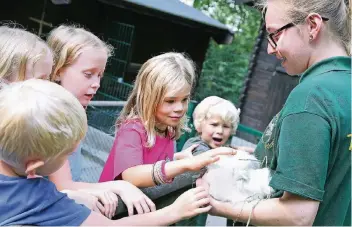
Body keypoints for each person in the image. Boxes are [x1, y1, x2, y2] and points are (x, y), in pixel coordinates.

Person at [197, 0, 351, 226]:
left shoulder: (310, 97)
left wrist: (216, 205)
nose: (270, 48)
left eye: (275, 35)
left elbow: (297, 215)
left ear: (313, 26)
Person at [0, 79, 213, 226]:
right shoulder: (41, 198)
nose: (75, 150)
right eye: (65, 153)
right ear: (34, 167)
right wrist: (173, 212)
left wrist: (72, 195)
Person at [47, 24, 155, 218]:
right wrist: (119, 186)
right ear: (57, 71)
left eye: (100, 75)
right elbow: (62, 186)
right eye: (88, 74)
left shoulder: (74, 113)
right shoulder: (52, 116)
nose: (96, 83)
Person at [99, 52, 235, 187]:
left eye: (184, 99)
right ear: (149, 98)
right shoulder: (132, 129)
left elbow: (148, 163)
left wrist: (176, 159)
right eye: (170, 101)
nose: (180, 108)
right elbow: (131, 175)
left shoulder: (167, 130)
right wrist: (184, 164)